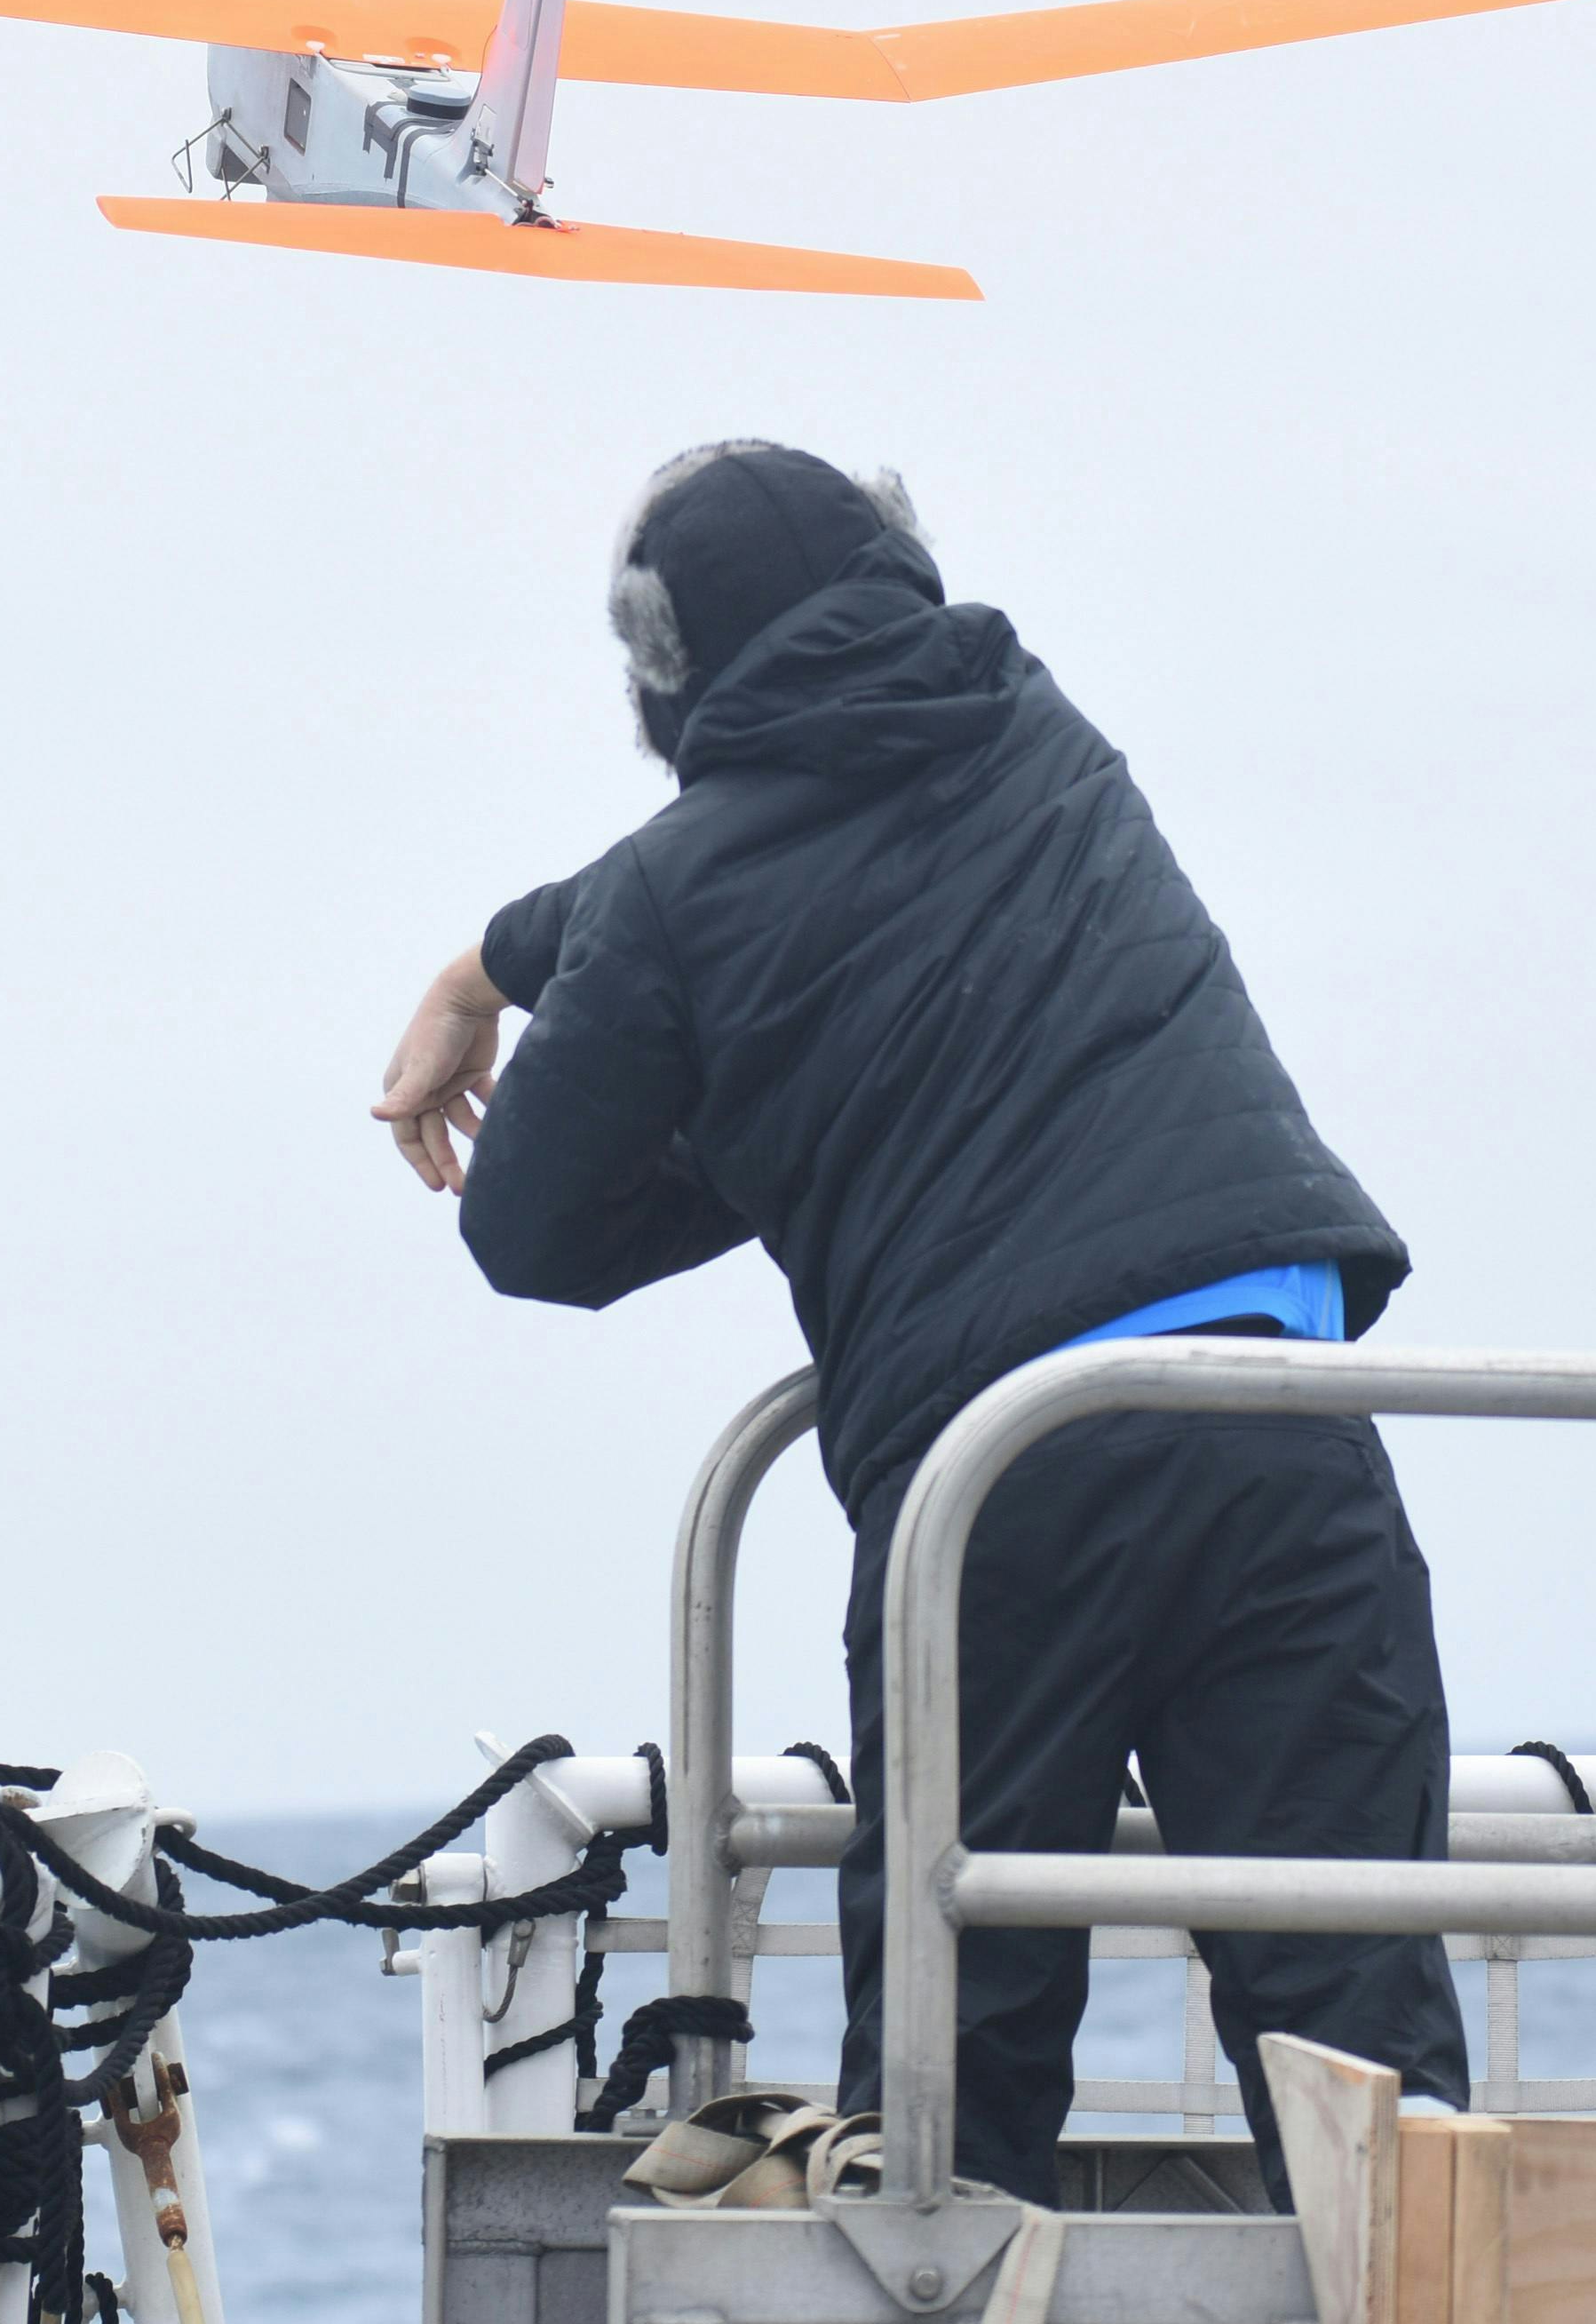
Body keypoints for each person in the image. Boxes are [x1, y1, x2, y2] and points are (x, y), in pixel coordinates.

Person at [370, 440, 1465, 2201]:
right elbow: (734, 860)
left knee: (956, 2110)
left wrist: (743, 1105)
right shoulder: (1032, 721)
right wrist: (498, 960)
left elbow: (535, 1226)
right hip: (1278, 1413)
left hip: (1005, 1480)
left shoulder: (678, 904)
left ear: (666, 670)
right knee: (1371, 2070)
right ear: (898, 571)